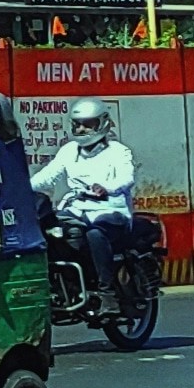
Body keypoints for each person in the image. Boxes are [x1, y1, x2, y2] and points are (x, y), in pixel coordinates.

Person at [32, 98, 148, 302]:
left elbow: (126, 178)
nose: (82, 129)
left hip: (111, 211)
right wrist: (19, 188)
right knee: (47, 229)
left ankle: (107, 292)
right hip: (76, 210)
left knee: (95, 233)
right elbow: (47, 177)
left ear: (103, 123)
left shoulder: (118, 151)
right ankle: (63, 283)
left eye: (88, 124)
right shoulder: (69, 151)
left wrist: (108, 188)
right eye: (78, 124)